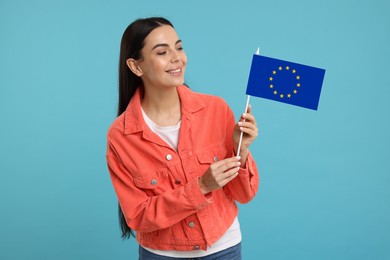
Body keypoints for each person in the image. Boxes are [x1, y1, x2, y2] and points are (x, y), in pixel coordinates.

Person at [106, 17, 259, 259]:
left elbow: (244, 195)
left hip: (224, 249)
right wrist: (201, 187)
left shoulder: (216, 109)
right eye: (162, 52)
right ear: (136, 67)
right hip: (161, 254)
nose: (177, 58)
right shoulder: (121, 136)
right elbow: (138, 216)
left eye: (179, 47)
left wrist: (242, 150)